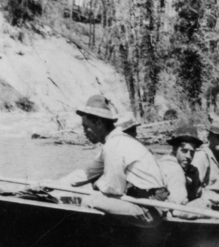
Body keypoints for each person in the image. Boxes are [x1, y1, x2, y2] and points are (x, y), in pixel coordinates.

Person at [58, 95, 168, 223]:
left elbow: (114, 189)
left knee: (90, 200)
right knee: (91, 196)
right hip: (143, 201)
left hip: (149, 208)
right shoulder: (114, 142)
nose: (84, 132)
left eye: (86, 127)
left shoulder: (114, 145)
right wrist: (52, 184)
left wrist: (96, 185)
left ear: (99, 123)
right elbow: (86, 173)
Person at [158, 124, 203, 206]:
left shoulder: (191, 170)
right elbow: (178, 205)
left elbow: (198, 193)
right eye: (184, 151)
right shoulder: (172, 167)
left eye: (192, 152)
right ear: (175, 149)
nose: (189, 156)